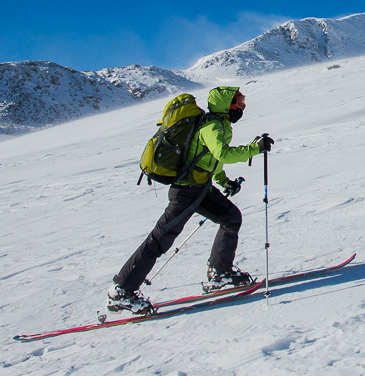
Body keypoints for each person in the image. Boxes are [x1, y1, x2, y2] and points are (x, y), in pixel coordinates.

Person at [106, 86, 274, 315]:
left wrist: (223, 181)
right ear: (226, 104)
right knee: (160, 240)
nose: (242, 106)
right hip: (186, 191)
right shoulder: (212, 125)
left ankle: (220, 274)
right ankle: (122, 291)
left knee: (231, 217)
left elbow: (210, 159)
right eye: (239, 102)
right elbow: (223, 154)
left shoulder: (219, 125)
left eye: (243, 101)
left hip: (200, 188)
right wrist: (255, 149)